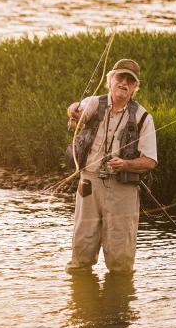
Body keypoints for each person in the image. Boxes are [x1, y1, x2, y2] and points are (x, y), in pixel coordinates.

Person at [65, 59, 157, 275]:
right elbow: (79, 110)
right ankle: (82, 305)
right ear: (110, 81)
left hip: (122, 190)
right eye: (120, 77)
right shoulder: (95, 103)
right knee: (81, 255)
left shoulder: (144, 117)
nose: (124, 83)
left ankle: (118, 304)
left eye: (130, 80)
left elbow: (150, 161)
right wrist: (74, 111)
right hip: (88, 185)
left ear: (135, 87)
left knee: (120, 261)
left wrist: (125, 164)